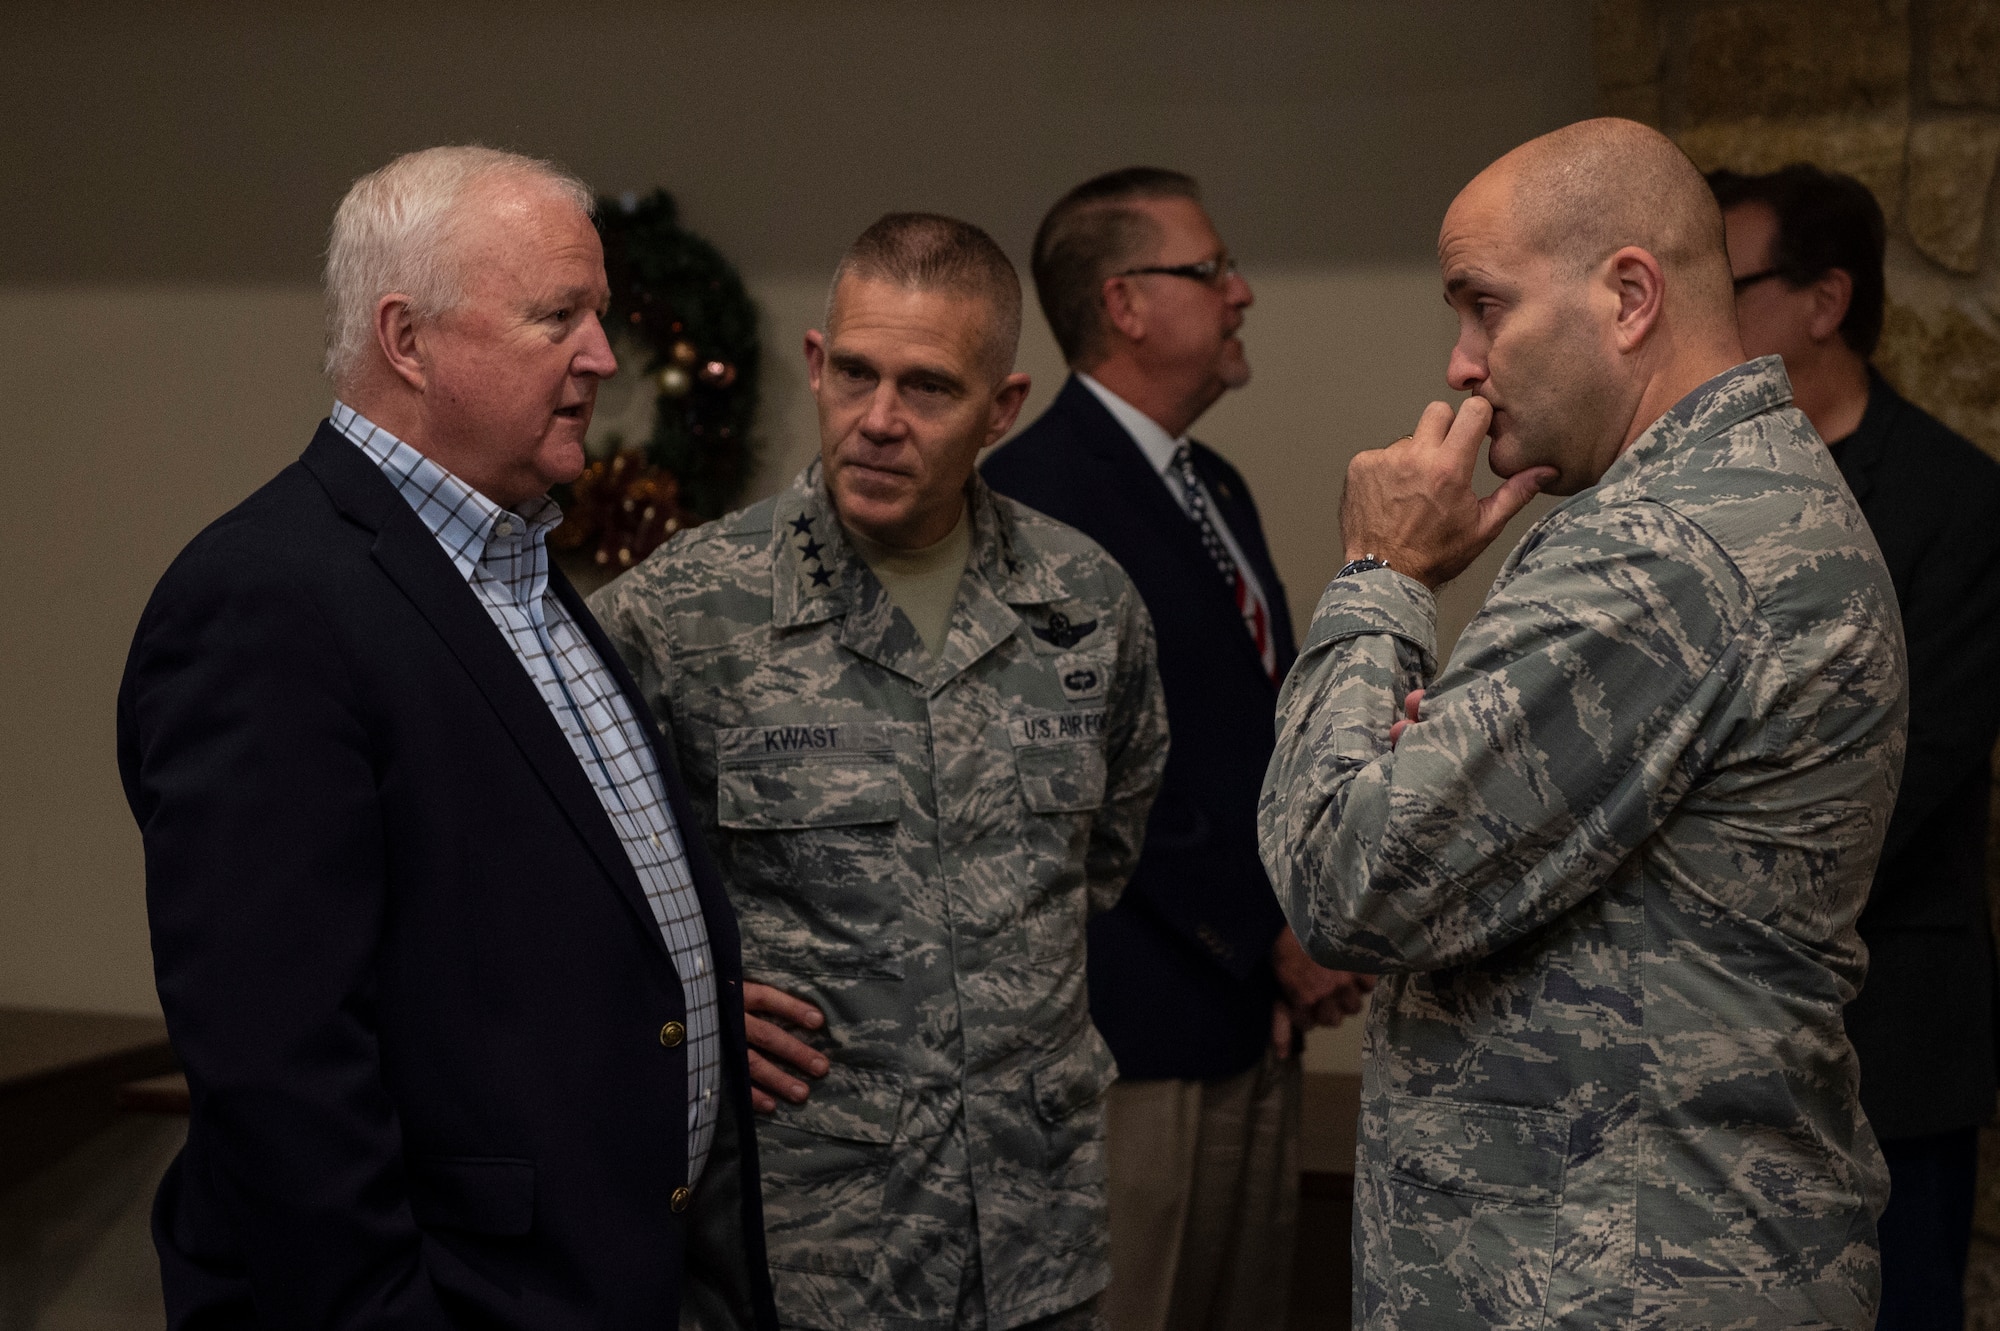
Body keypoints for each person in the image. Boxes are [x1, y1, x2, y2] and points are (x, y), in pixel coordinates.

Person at [1257, 118, 1908, 1327]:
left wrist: (1379, 574)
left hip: (1608, 1280)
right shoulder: (1731, 503)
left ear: (1625, 294)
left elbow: (1345, 877)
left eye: (1482, 306)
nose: (1459, 361)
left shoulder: (1667, 549)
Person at [117, 146, 776, 1330]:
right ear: (406, 339)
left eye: (600, 314)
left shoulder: (519, 568)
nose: (601, 357)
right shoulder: (266, 600)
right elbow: (279, 1064)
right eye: (556, 316)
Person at [591, 213, 1168, 1331]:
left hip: (1035, 1235)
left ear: (1002, 406)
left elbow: (1102, 854)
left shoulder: (1084, 605)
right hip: (809, 1246)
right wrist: (674, 1000)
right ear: (815, 362)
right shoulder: (685, 612)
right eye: (853, 373)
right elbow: (557, 879)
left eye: (928, 387)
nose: (878, 421)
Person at [982, 167, 1371, 1331]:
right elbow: (1083, 768)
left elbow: (1247, 727)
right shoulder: (1032, 495)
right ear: (1125, 303)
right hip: (1134, 1024)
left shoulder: (1213, 484)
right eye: (1208, 270)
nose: (1239, 291)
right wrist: (1267, 933)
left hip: (1249, 1014)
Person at [1711, 161, 2000, 1331]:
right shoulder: (1696, 493)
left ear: (1822, 301)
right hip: (1708, 1042)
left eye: (1722, 285)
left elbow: (1906, 768)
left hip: (1884, 1033)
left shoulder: (1953, 498)